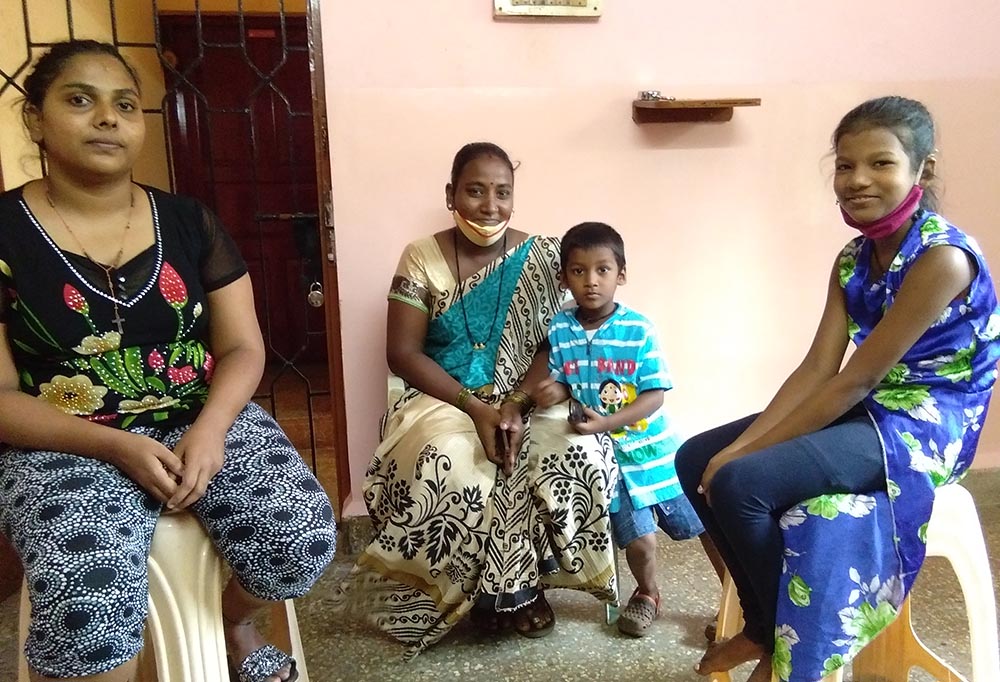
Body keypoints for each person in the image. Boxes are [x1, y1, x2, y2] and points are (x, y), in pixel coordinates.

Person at [0, 41, 336, 682]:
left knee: (302, 536)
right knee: (87, 604)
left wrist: (211, 428)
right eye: (80, 100)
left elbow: (242, 348)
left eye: (124, 105)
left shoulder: (188, 222)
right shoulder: (6, 232)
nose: (107, 119)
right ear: (35, 119)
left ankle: (235, 624)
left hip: (196, 413)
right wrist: (116, 448)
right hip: (61, 440)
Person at [675, 96, 1000, 682]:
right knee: (695, 456)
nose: (857, 180)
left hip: (927, 426)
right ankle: (765, 623)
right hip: (871, 410)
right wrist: (737, 443)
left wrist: (743, 455)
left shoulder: (943, 258)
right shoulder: (853, 258)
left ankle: (783, 640)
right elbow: (817, 369)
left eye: (880, 164)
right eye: (845, 166)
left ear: (921, 170)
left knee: (739, 480)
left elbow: (858, 377)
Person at [331, 142, 618, 658]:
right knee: (454, 464)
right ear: (451, 195)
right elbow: (402, 353)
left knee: (576, 453)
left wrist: (520, 400)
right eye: (476, 190)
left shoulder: (545, 256)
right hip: (442, 397)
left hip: (525, 394)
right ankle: (484, 596)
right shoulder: (421, 256)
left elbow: (559, 337)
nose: (490, 205)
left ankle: (530, 587)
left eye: (502, 192)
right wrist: (475, 406)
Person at [535, 221, 724, 638]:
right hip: (610, 462)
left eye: (602, 270)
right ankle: (648, 594)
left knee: (705, 527)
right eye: (578, 271)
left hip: (658, 454)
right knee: (638, 541)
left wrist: (605, 422)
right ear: (564, 277)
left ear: (621, 274)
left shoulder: (639, 329)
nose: (591, 281)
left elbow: (654, 395)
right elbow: (566, 377)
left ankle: (741, 601)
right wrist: (556, 389)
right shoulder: (560, 329)